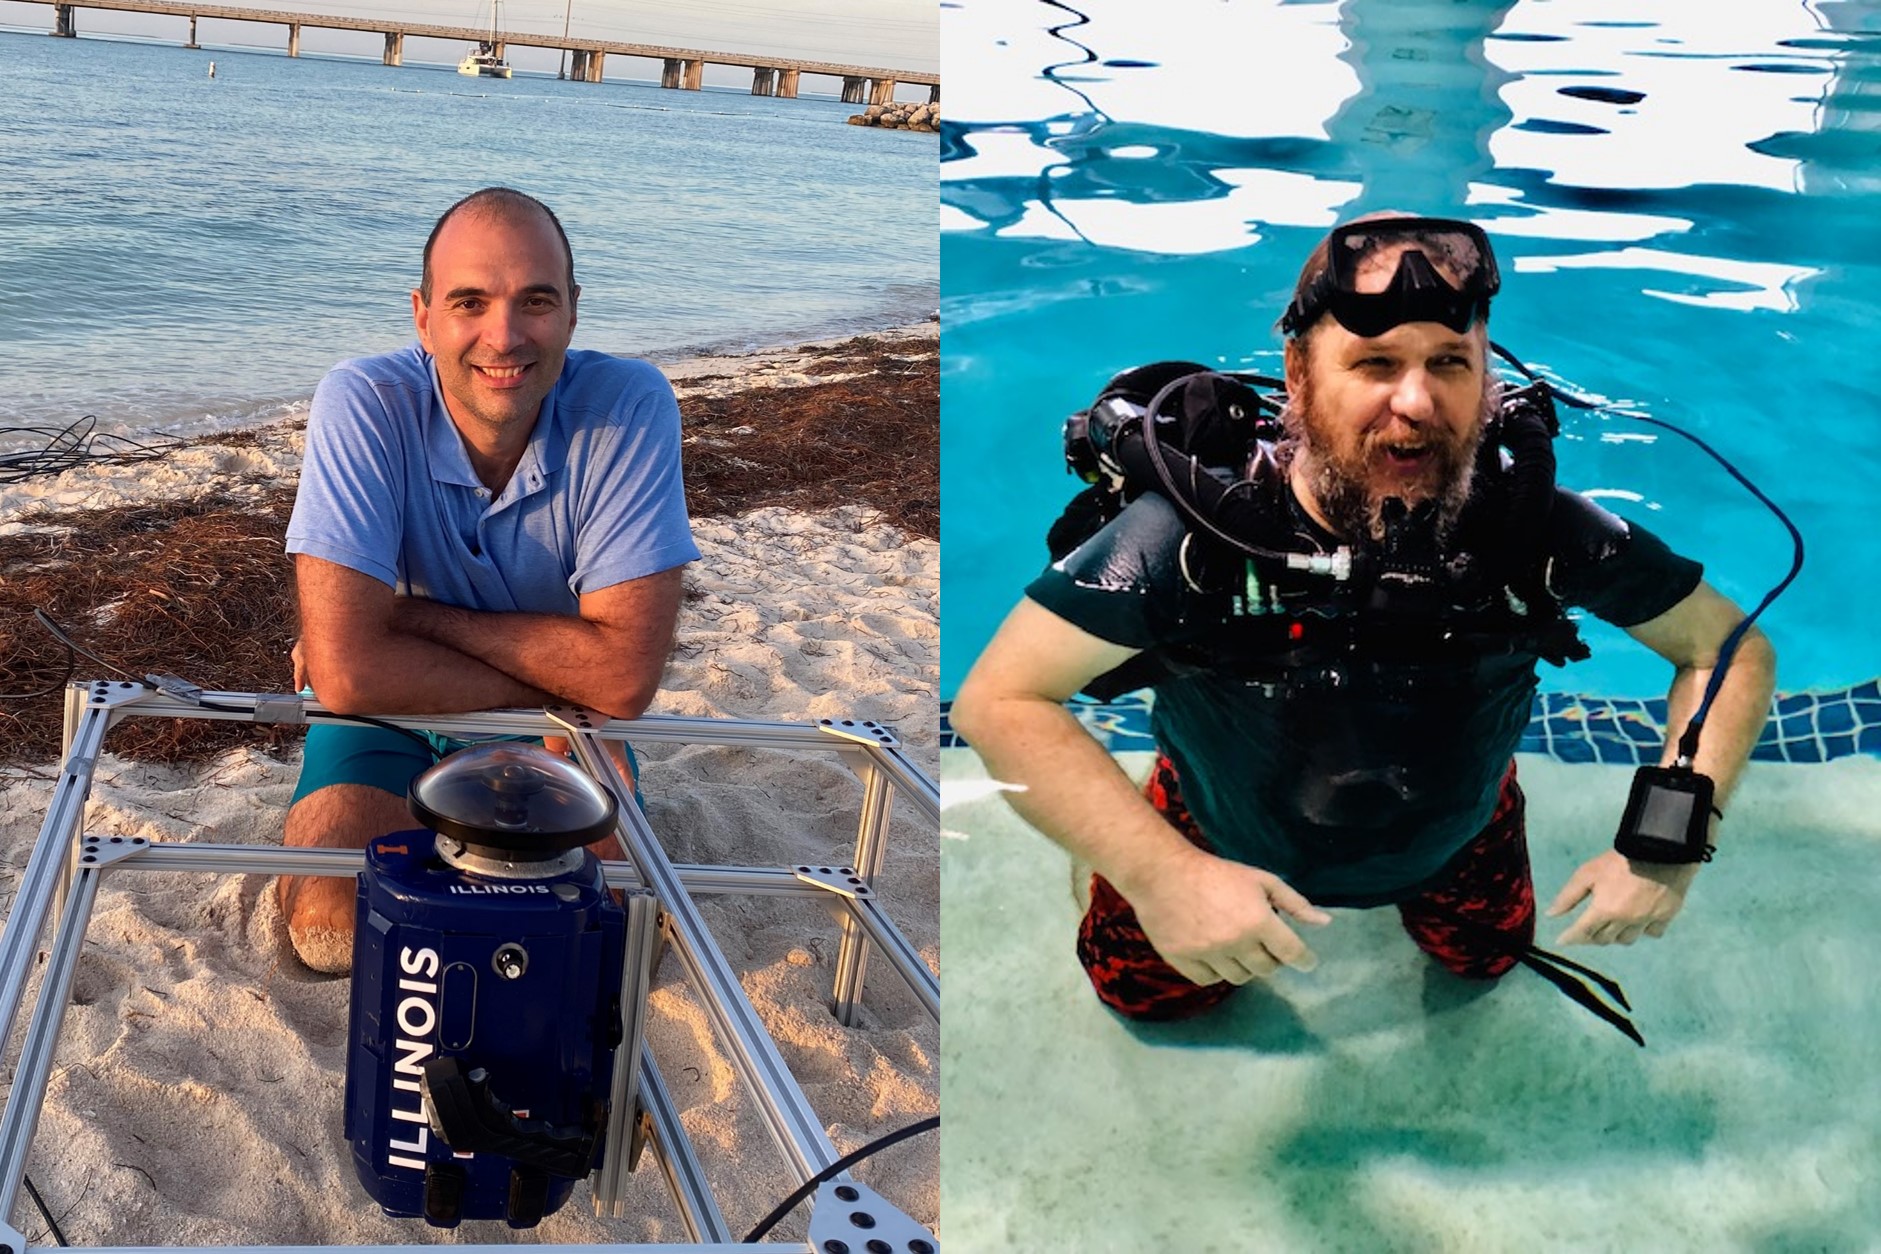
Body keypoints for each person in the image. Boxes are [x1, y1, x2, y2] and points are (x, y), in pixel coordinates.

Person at [950, 213, 1776, 1026]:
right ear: (1299, 376)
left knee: (1483, 965)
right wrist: (1157, 871)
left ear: (1486, 378)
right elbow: (1002, 700)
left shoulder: (1540, 535)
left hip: (1463, 834)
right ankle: (1139, 822)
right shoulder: (1194, 539)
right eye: (1374, 363)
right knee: (1146, 1001)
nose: (1414, 402)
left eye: (1448, 362)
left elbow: (1727, 652)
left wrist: (1665, 846)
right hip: (1211, 825)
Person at [278, 187, 699, 973]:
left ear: (571, 312)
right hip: (402, 714)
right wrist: (565, 678)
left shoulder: (627, 404)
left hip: (553, 727)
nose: (503, 336)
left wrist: (410, 619)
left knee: (605, 941)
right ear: (423, 317)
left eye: (535, 301)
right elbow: (347, 675)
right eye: (469, 302)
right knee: (327, 926)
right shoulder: (366, 402)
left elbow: (623, 678)